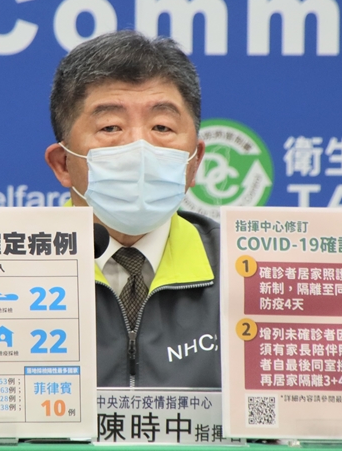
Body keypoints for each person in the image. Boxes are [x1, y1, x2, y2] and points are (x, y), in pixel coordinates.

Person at [44, 30, 221, 388]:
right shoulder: (9, 268)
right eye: (111, 127)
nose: (139, 146)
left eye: (162, 127)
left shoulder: (244, 268)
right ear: (63, 164)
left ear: (194, 162)